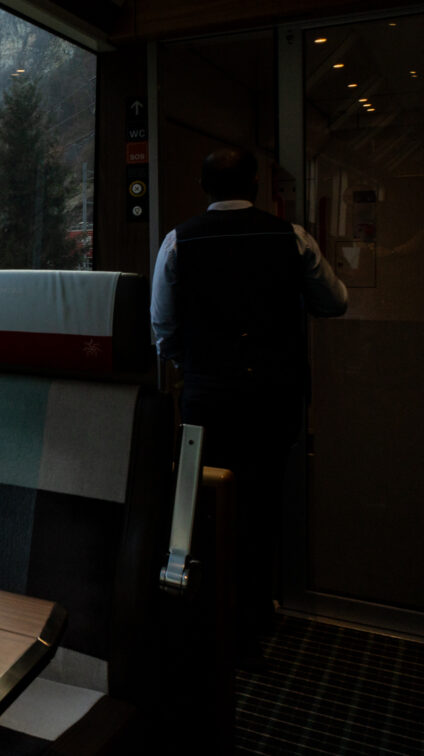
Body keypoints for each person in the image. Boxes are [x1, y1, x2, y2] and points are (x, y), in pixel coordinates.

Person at [150, 147, 348, 650]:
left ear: (204, 187)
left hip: (207, 397)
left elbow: (163, 325)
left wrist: (191, 368)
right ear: (256, 186)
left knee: (206, 506)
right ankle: (255, 617)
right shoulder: (291, 238)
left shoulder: (179, 241)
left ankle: (207, 619)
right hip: (273, 396)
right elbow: (335, 301)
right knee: (262, 503)